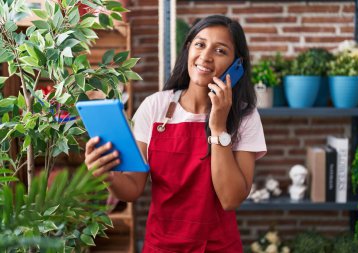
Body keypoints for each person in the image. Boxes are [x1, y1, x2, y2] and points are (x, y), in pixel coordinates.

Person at [84, 15, 267, 252]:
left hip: (218, 246)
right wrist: (106, 174)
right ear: (188, 48)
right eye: (200, 44)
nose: (205, 56)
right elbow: (132, 188)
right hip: (161, 245)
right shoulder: (155, 106)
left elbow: (230, 199)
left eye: (220, 50)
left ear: (237, 64)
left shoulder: (244, 116)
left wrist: (219, 127)